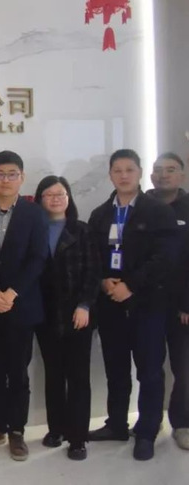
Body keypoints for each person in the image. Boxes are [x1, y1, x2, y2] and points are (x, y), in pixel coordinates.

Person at [87, 149, 176, 460]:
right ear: (110, 175)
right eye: (117, 170)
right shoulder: (100, 214)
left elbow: (165, 257)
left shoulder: (157, 211)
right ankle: (116, 424)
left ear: (139, 173)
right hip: (111, 305)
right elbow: (92, 257)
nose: (123, 175)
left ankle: (147, 430)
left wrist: (132, 285)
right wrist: (103, 281)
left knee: (149, 370)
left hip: (147, 304)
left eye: (129, 169)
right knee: (116, 369)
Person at [0, 150, 48, 462]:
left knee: (18, 371)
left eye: (12, 174)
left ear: (22, 178)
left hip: (22, 306)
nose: (6, 179)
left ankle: (17, 430)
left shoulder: (35, 214)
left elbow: (38, 258)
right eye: (0, 174)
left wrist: (11, 294)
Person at [33, 176, 100, 461]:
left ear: (69, 198)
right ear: (40, 199)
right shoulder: (34, 230)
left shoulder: (81, 230)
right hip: (44, 314)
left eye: (60, 194)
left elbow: (93, 271)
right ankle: (56, 429)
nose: (55, 199)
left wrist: (84, 305)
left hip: (77, 314)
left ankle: (78, 437)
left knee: (78, 376)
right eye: (49, 194)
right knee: (53, 374)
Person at [147, 152, 189, 450]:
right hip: (147, 302)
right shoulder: (141, 207)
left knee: (184, 368)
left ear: (182, 175)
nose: (163, 175)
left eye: (170, 170)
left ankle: (182, 423)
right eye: (158, 170)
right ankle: (150, 421)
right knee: (150, 368)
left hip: (181, 306)